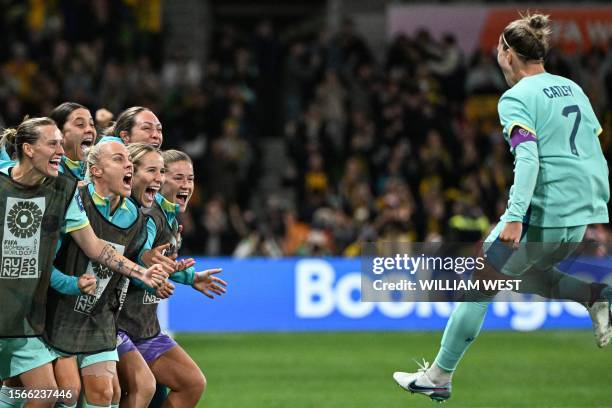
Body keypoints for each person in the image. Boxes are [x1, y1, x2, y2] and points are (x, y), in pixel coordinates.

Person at [393, 13, 612, 402]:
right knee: (527, 277)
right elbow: (593, 149)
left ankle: (439, 376)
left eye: (498, 49)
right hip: (579, 218)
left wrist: (514, 216)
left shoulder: (516, 97)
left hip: (542, 216)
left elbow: (527, 158)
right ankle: (596, 295)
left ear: (507, 53)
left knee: (478, 286)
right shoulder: (572, 88)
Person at [0, 117, 166, 408]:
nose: (62, 152)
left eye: (62, 145)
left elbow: (95, 247)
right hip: (31, 311)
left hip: (26, 315)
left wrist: (142, 271)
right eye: (53, 144)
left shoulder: (64, 193)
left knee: (51, 393)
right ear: (27, 149)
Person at [118, 149, 227, 407]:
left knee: (192, 383)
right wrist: (151, 278)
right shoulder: (147, 216)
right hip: (120, 326)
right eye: (178, 177)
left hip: (145, 328)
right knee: (140, 390)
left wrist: (189, 276)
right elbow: (135, 264)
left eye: (190, 179)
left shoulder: (169, 217)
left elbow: (159, 263)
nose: (186, 185)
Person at [49, 102, 96, 181]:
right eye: (80, 124)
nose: (89, 129)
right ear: (59, 133)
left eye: (92, 124)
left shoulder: (98, 169)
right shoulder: (48, 171)